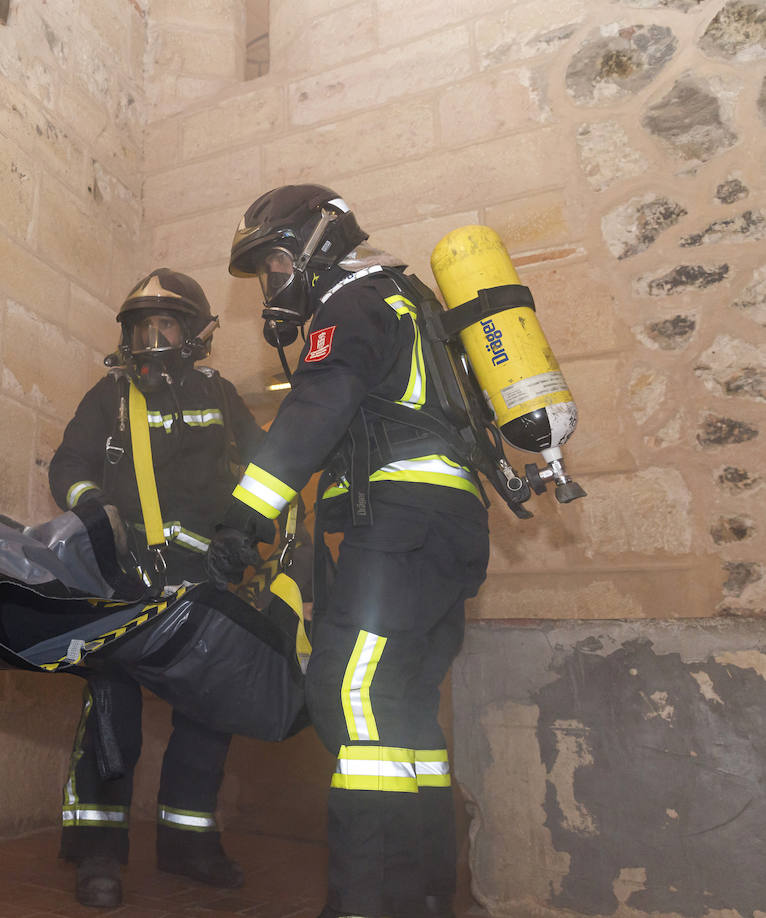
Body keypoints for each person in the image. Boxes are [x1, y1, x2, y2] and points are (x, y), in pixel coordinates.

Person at [204, 185, 491, 918]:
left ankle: (367, 904)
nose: (271, 283)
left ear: (314, 245)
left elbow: (320, 405)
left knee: (352, 696)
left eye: (272, 263)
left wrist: (247, 511)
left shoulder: (353, 301)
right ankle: (428, 895)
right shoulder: (410, 301)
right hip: (451, 526)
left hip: (399, 525)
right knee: (406, 710)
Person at [48, 268, 265, 908]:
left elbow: (264, 469)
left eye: (165, 323)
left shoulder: (223, 396)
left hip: (207, 583)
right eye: (141, 325)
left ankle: (189, 844)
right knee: (112, 713)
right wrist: (97, 514)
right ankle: (98, 854)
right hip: (126, 579)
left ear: (193, 332)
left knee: (207, 715)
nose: (151, 336)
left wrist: (244, 534)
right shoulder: (109, 396)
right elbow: (69, 465)